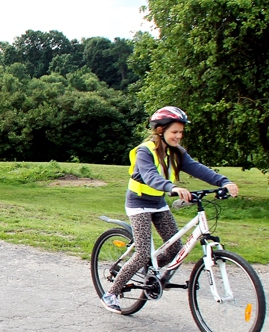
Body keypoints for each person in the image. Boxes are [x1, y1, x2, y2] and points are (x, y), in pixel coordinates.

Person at [100, 106, 239, 314]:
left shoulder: (177, 153)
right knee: (142, 253)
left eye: (181, 132)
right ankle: (111, 293)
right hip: (139, 204)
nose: (179, 136)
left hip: (158, 203)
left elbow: (198, 169)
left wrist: (224, 181)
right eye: (174, 132)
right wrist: (171, 187)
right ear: (160, 130)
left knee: (175, 249)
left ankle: (148, 272)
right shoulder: (145, 151)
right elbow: (149, 176)